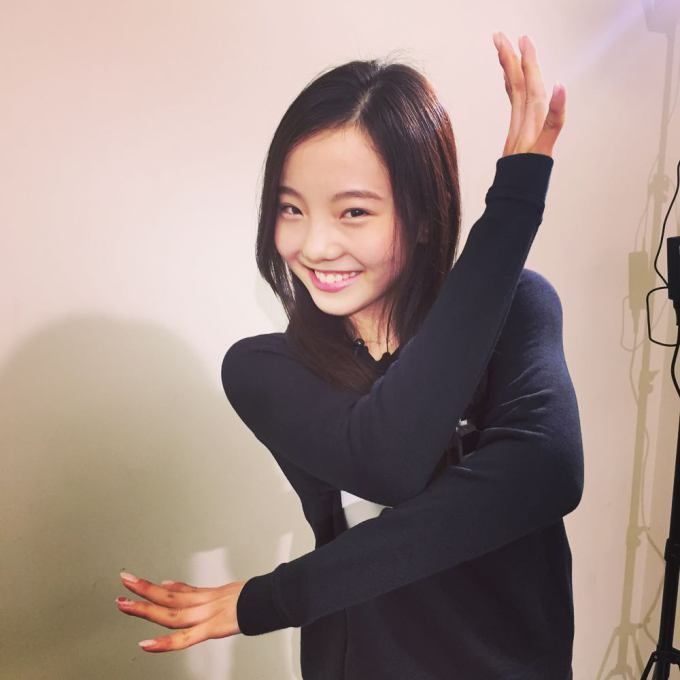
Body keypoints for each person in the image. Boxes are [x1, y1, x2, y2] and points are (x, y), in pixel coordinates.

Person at [116, 31, 583, 679]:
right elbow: (388, 461)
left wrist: (513, 207)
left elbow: (545, 476)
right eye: (291, 208)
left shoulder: (517, 309)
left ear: (424, 216)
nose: (315, 246)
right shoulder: (264, 370)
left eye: (354, 212)